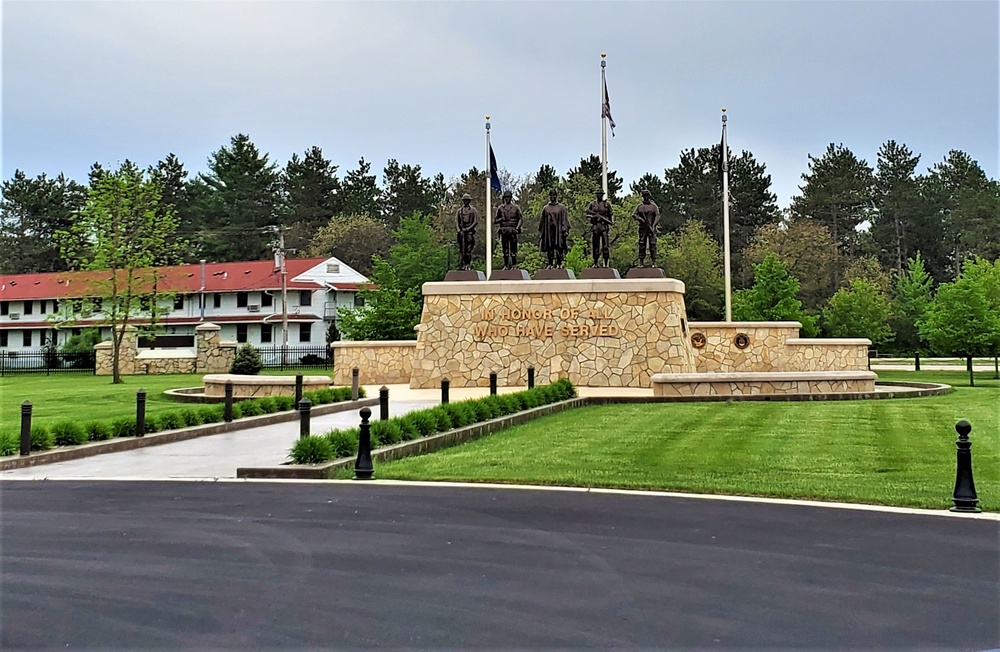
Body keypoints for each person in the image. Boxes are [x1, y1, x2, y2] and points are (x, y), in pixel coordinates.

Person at [538, 189, 570, 268]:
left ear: (556, 196)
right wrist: (542, 232)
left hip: (558, 231)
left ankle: (559, 263)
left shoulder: (561, 208)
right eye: (551, 195)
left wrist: (565, 229)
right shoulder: (546, 208)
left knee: (559, 247)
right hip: (549, 231)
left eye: (554, 195)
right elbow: (542, 221)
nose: (552, 197)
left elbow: (564, 219)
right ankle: (550, 263)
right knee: (550, 247)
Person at [495, 190, 523, 269]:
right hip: (504, 230)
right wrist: (501, 219)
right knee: (505, 249)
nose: (507, 199)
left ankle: (514, 265)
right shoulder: (500, 208)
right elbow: (495, 220)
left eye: (509, 197)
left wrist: (517, 228)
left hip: (513, 230)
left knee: (513, 249)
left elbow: (520, 219)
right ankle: (506, 265)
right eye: (506, 197)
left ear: (511, 198)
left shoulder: (515, 207)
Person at [632, 189, 660, 267]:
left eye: (647, 196)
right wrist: (640, 219)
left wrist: (653, 226)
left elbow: (657, 216)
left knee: (653, 244)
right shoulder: (640, 206)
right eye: (644, 196)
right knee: (642, 244)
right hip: (642, 228)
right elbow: (634, 215)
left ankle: (654, 261)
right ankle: (641, 262)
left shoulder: (653, 206)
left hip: (651, 227)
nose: (646, 198)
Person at [585, 189, 613, 267]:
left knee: (605, 246)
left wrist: (606, 220)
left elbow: (610, 216)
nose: (599, 195)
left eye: (600, 194)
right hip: (595, 226)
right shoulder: (592, 204)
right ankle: (595, 262)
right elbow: (587, 213)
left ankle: (606, 263)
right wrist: (593, 217)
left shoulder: (607, 204)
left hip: (604, 226)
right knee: (595, 246)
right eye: (598, 194)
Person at [454, 193, 479, 270]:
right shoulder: (459, 211)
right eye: (464, 200)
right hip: (461, 233)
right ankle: (462, 264)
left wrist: (468, 229)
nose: (465, 202)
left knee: (468, 250)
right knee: (462, 250)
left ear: (469, 201)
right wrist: (459, 230)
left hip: (469, 233)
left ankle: (468, 264)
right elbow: (456, 221)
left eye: (467, 200)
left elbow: (475, 222)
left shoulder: (473, 210)